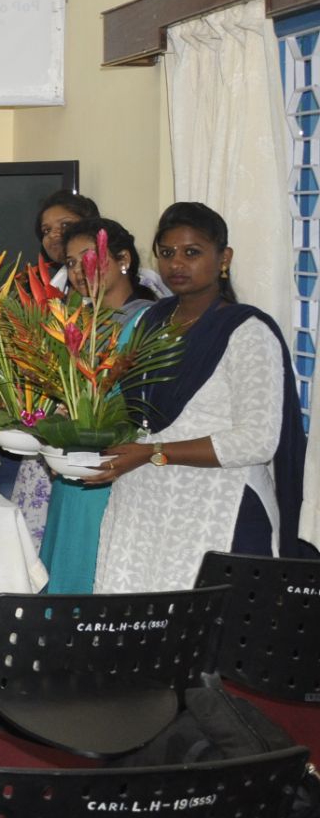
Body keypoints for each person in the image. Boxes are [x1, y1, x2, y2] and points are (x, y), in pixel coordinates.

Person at [92, 202, 315, 592]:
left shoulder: (247, 332)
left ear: (223, 258)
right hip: (143, 507)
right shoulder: (150, 321)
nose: (177, 263)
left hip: (219, 507)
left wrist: (154, 452)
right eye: (167, 253)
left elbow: (257, 441)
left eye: (191, 252)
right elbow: (132, 410)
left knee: (211, 626)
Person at [37, 217, 155, 595]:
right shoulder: (78, 324)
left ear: (123, 260)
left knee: (96, 576)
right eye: (71, 263)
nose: (78, 271)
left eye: (88, 258)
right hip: (73, 466)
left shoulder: (148, 320)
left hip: (117, 468)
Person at [33, 188, 99, 274]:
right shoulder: (40, 278)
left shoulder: (108, 275)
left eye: (65, 225)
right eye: (46, 230)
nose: (52, 235)